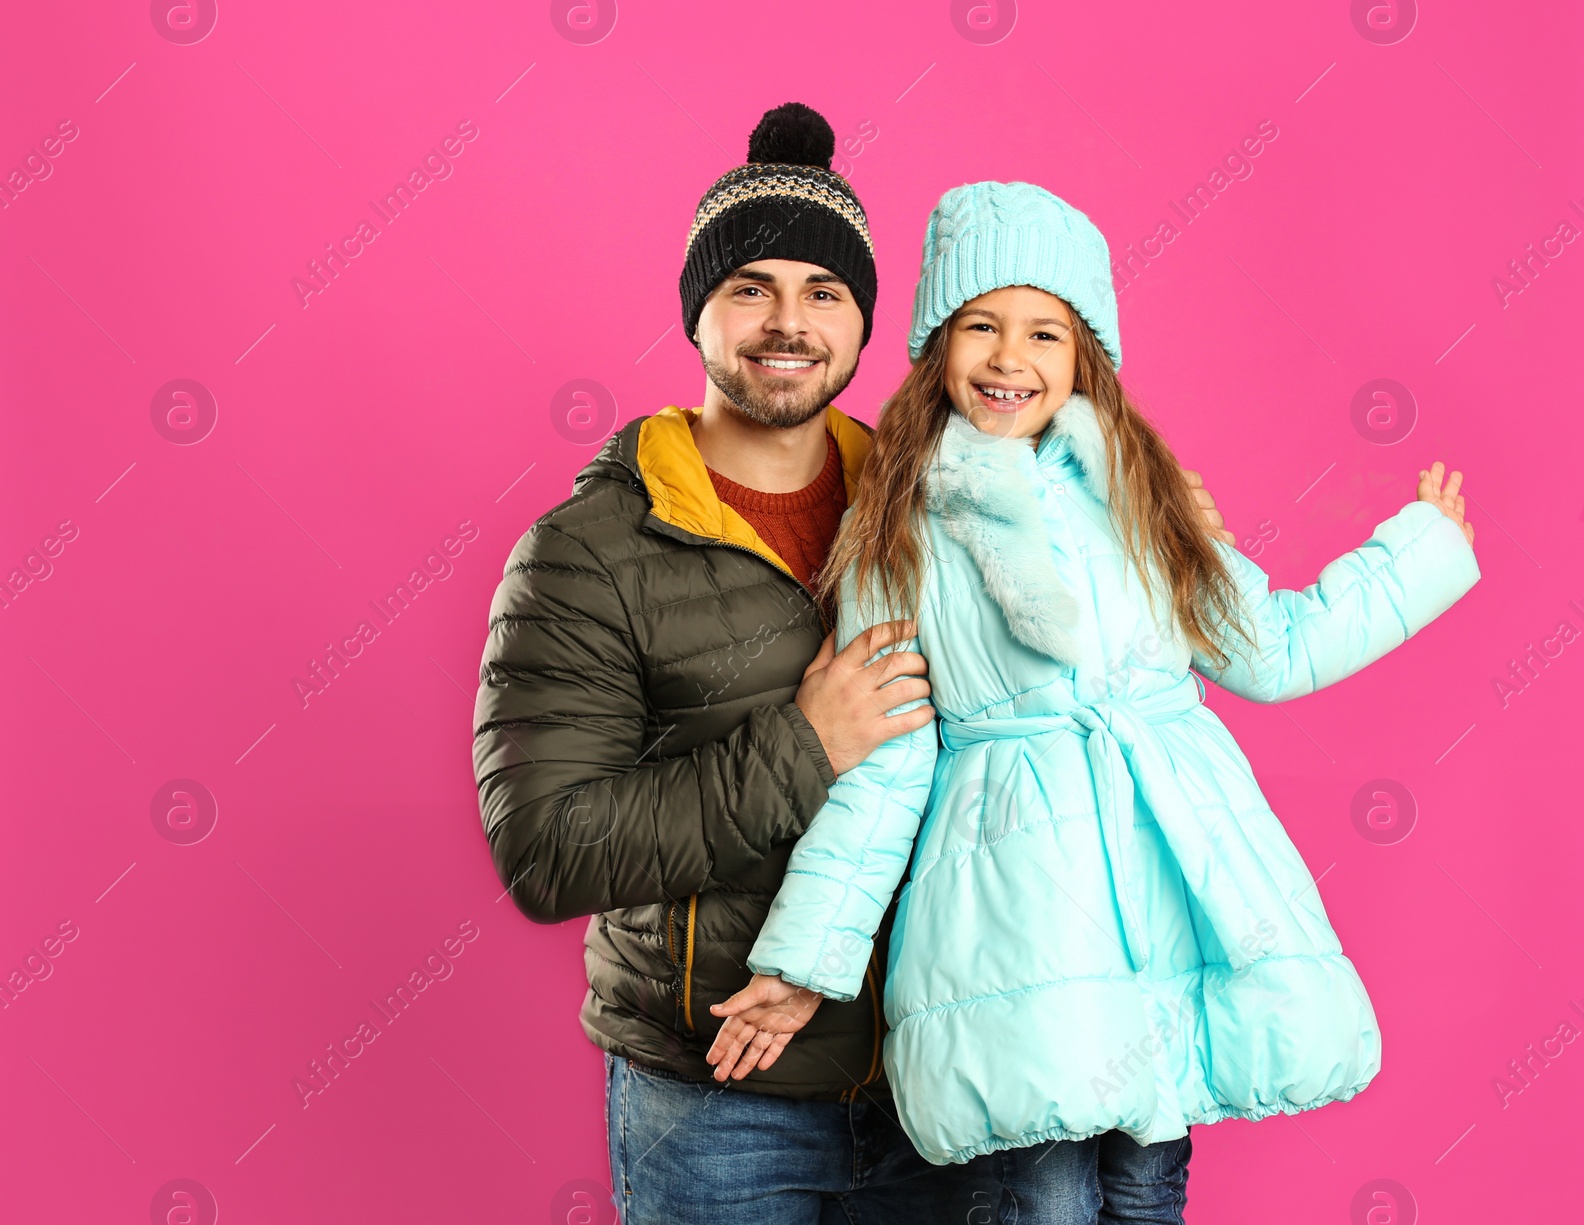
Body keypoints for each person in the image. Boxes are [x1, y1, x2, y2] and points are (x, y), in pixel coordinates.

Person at [474, 105, 1234, 1224]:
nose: (788, 323)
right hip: (721, 1101)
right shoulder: (591, 551)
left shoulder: (946, 504)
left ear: (865, 322)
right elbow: (547, 850)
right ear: (698, 313)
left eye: (822, 292)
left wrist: (1154, 558)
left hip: (942, 1076)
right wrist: (803, 744)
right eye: (751, 289)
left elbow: (1096, 715)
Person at [705, 180, 1481, 1224]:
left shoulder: (1144, 499)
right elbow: (886, 758)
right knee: (1044, 1190)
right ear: (938, 345)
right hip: (1012, 911)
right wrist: (808, 957)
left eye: (1043, 332)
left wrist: (1417, 556)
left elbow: (1274, 646)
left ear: (1084, 360)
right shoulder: (899, 528)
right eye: (980, 325)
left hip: (1166, 885)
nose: (1008, 358)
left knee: (1147, 1182)